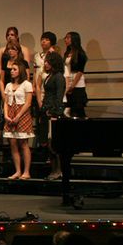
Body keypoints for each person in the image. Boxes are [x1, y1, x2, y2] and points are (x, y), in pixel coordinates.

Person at [3, 62, 34, 179]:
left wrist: (18, 116)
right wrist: (6, 115)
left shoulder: (26, 84)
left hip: (22, 114)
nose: (11, 71)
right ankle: (17, 171)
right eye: (11, 69)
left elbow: (28, 103)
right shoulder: (8, 85)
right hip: (10, 114)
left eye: (14, 69)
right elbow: (6, 102)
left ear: (20, 71)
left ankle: (26, 171)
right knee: (13, 144)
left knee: (23, 143)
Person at [42, 52, 66, 180]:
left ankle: (58, 170)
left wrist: (55, 112)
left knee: (54, 144)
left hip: (54, 114)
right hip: (47, 112)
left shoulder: (58, 77)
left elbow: (59, 96)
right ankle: (54, 170)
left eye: (48, 61)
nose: (45, 64)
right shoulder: (49, 76)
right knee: (48, 144)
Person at [63, 31, 88, 118]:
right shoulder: (67, 53)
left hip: (77, 84)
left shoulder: (80, 53)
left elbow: (80, 71)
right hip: (68, 81)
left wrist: (72, 85)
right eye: (65, 38)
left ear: (74, 39)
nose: (65, 40)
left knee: (78, 109)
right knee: (68, 109)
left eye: (68, 38)